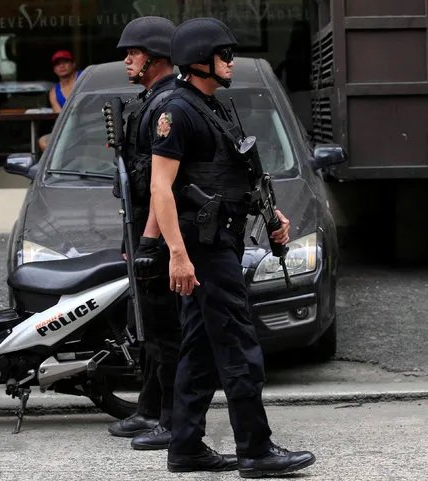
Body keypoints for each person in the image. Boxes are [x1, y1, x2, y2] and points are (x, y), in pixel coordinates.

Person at [149, 18, 316, 477]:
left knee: (200, 348)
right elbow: (160, 189)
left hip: (222, 237)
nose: (231, 61)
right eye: (224, 55)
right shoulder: (177, 112)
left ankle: (185, 447)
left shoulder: (216, 108)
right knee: (239, 345)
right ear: (200, 60)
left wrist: (272, 214)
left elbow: (237, 171)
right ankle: (256, 451)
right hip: (204, 247)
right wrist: (178, 255)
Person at [105, 16, 182, 451]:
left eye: (133, 52)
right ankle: (150, 409)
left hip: (153, 234)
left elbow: (161, 184)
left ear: (154, 57)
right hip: (141, 230)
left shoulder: (166, 103)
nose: (127, 59)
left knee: (165, 330)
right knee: (149, 329)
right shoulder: (150, 100)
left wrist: (150, 245)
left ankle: (171, 420)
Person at [38, 50, 82, 152]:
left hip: (92, 125)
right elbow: (59, 117)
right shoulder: (54, 92)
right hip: (69, 130)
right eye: (58, 64)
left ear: (73, 64)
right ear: (54, 69)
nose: (62, 66)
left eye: (65, 62)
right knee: (43, 142)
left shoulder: (84, 77)